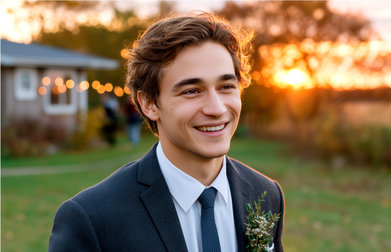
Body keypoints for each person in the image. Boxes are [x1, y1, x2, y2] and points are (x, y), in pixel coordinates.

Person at [49, 12, 284, 252]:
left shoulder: (266, 194)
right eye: (192, 90)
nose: (217, 108)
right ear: (149, 103)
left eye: (226, 87)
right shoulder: (92, 219)